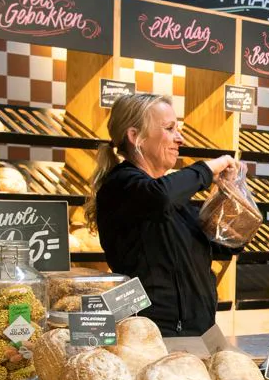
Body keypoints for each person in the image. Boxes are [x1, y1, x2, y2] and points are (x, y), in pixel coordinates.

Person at [86, 93, 241, 337]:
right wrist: (209, 168)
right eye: (170, 128)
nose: (180, 139)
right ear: (135, 136)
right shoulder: (123, 185)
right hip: (151, 337)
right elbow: (160, 197)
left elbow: (225, 245)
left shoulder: (170, 199)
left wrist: (227, 196)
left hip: (200, 333)